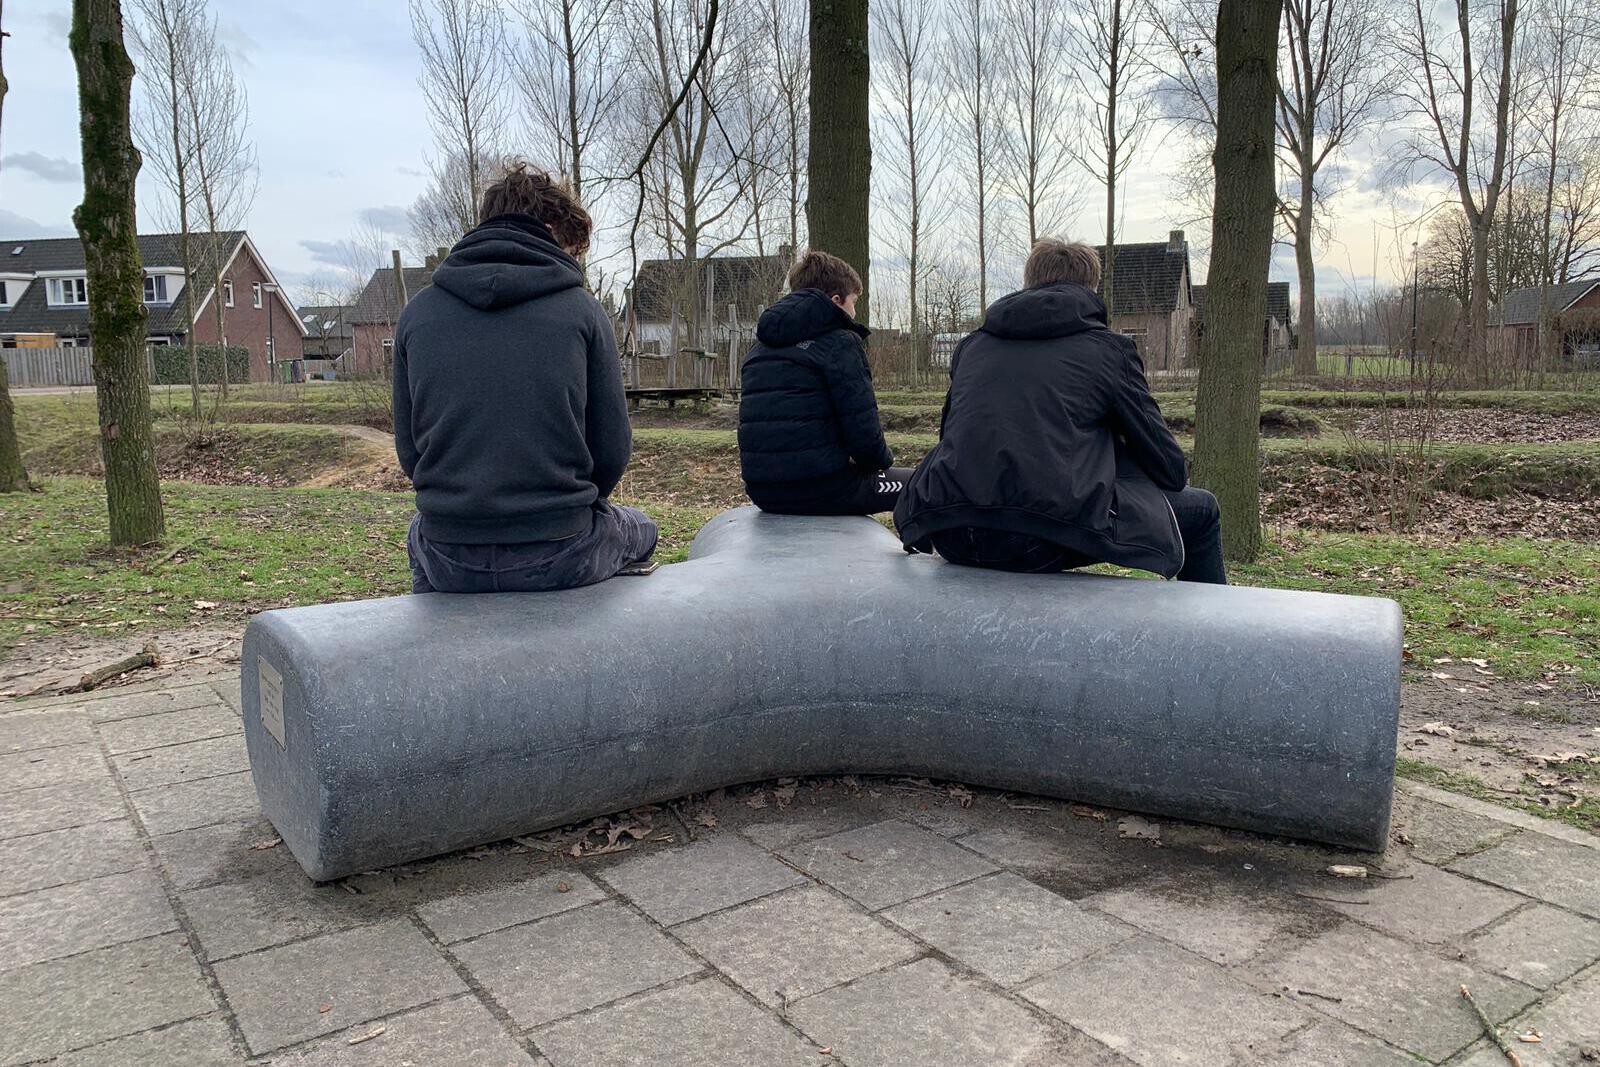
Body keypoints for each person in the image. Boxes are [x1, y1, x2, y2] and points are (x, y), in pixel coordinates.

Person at [894, 238, 1226, 584]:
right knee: (1203, 510)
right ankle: (1213, 634)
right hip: (1036, 539)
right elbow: (1170, 470)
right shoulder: (1110, 351)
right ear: (1091, 286)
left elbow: (953, 435)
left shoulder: (973, 346)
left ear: (1028, 282)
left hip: (950, 529)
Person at [393, 161, 657, 594]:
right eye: (572, 248)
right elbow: (612, 449)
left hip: (449, 555)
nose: (572, 262)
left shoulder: (417, 313)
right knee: (643, 528)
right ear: (552, 227)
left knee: (417, 535)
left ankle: (434, 638)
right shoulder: (583, 311)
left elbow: (410, 453)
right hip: (561, 550)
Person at [738, 250, 912, 515]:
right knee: (923, 483)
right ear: (836, 300)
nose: (854, 312)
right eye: (854, 302)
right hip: (824, 490)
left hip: (763, 493)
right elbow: (864, 436)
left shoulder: (758, 348)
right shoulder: (840, 343)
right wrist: (882, 464)